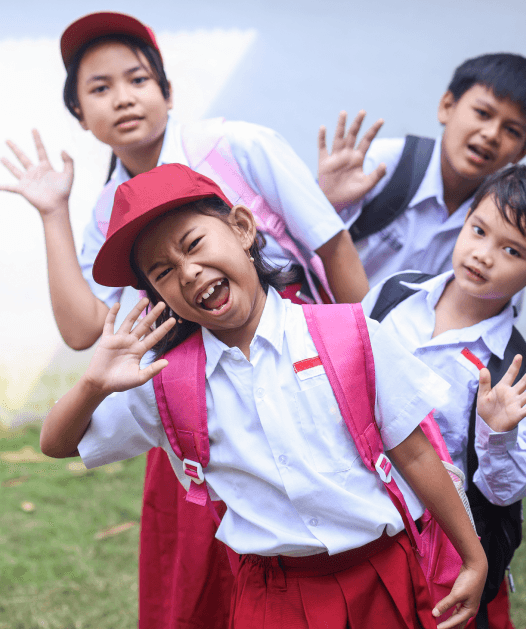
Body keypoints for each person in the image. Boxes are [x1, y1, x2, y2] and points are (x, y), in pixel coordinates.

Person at [0, 12, 368, 628]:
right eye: (99, 88)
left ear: (167, 91)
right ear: (80, 117)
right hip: (195, 402)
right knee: (198, 581)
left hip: (299, 370)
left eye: (138, 78)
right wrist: (53, 213)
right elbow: (86, 327)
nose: (123, 97)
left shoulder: (240, 146)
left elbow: (332, 249)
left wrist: (357, 362)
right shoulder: (104, 213)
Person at [40, 163, 488, 629]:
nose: (188, 272)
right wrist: (92, 386)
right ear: (156, 294)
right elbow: (56, 444)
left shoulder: (348, 335)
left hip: (383, 574)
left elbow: (414, 453)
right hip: (272, 598)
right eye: (163, 272)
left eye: (193, 244)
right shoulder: (164, 382)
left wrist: (472, 557)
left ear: (241, 228)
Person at [361, 163, 526, 629]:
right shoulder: (395, 294)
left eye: (510, 249)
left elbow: (505, 491)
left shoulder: (511, 371)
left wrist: (497, 435)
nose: (483, 254)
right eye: (479, 230)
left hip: (432, 547)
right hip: (355, 518)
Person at [317, 53, 526, 288]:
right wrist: (328, 202)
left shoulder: (505, 216)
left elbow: (496, 305)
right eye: (483, 113)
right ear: (447, 107)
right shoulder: (384, 165)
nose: (491, 134)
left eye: (512, 131)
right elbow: (296, 245)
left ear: (523, 152)